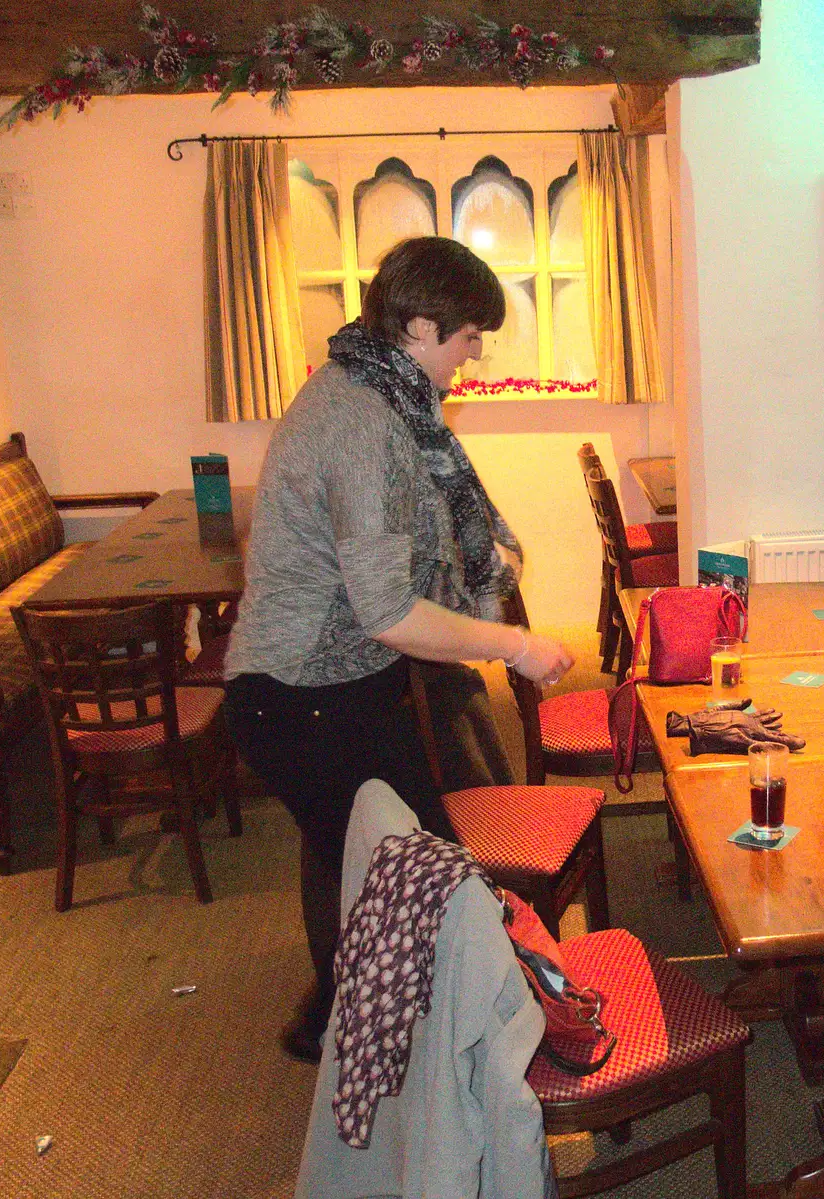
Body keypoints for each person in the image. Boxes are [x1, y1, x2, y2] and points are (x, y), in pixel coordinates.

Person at [223, 236, 573, 1062]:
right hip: (298, 692)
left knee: (373, 859)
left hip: (330, 683)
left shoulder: (370, 391)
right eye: (468, 336)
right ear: (419, 325)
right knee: (410, 873)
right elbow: (387, 610)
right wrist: (513, 644)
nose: (475, 355)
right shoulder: (363, 423)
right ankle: (383, 1048)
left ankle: (339, 1022)